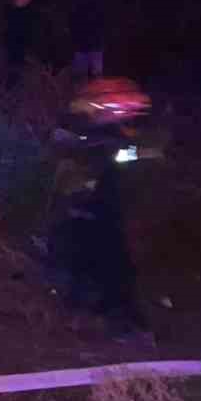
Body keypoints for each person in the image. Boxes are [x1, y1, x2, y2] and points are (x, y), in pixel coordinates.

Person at [45, 78, 153, 341]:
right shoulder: (82, 139)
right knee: (94, 266)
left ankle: (117, 321)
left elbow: (132, 163)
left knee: (107, 266)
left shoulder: (115, 142)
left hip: (101, 215)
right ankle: (110, 320)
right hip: (86, 216)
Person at [70, 0, 108, 80]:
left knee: (97, 74)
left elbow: (105, 23)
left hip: (96, 44)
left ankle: (97, 93)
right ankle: (79, 93)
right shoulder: (79, 1)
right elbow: (73, 20)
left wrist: (102, 38)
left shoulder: (102, 1)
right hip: (81, 44)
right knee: (79, 75)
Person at [3, 0, 39, 89]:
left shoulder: (29, 12)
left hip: (23, 44)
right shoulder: (9, 10)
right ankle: (9, 85)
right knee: (12, 64)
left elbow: (31, 29)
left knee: (19, 63)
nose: (25, 0)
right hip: (10, 45)